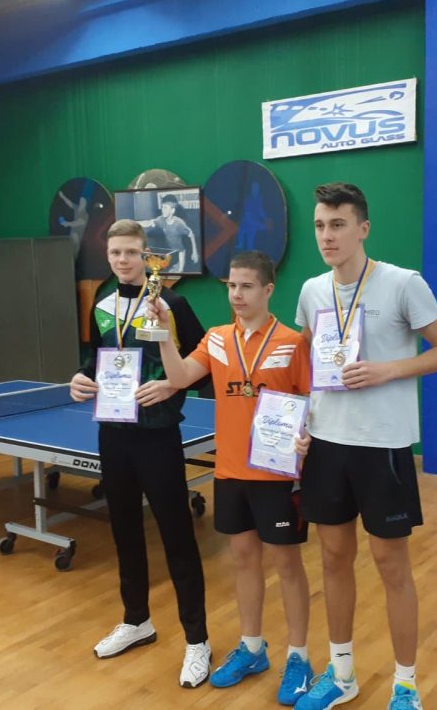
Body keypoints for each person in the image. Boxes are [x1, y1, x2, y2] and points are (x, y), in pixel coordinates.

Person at [292, 183, 437, 710]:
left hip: (382, 447)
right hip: (326, 445)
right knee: (333, 558)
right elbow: (308, 367)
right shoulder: (311, 291)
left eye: (338, 225)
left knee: (391, 565)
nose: (327, 236)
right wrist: (300, 422)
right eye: (320, 226)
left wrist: (388, 369)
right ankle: (342, 673)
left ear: (363, 228)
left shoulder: (403, 284)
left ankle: (405, 685)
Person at [147, 250, 316, 706]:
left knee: (287, 565)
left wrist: (308, 438)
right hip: (230, 472)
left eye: (246, 286)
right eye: (231, 286)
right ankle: (253, 647)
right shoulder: (217, 339)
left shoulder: (292, 343)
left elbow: (313, 403)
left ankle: (299, 657)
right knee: (243, 560)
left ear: (268, 289)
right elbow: (180, 375)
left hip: (278, 477)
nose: (236, 295)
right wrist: (163, 333)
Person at [68, 219, 211, 688]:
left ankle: (197, 640)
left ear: (147, 256)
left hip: (158, 435)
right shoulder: (101, 306)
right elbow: (94, 360)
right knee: (124, 530)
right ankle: (136, 620)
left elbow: (205, 364)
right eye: (116, 253)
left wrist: (171, 383)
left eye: (132, 252)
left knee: (176, 536)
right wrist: (80, 379)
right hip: (113, 434)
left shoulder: (171, 304)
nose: (123, 260)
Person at [142, 193, 199, 273]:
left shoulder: (179, 223)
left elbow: (191, 235)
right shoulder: (161, 219)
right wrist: (135, 223)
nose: (163, 210)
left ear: (172, 210)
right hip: (171, 251)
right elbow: (149, 223)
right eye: (162, 207)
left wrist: (194, 252)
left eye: (165, 207)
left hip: (182, 252)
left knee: (178, 271)